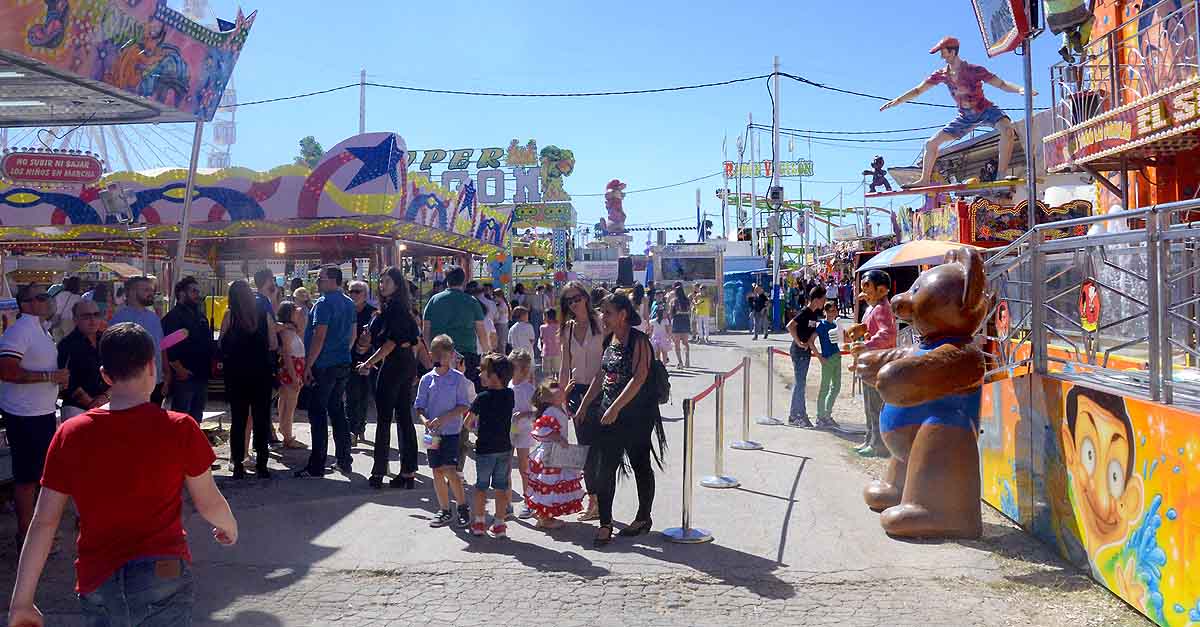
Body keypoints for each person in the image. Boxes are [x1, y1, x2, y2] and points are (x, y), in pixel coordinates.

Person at [6, 323, 238, 627]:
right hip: (163, 569)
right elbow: (208, 502)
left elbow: (44, 521)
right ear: (152, 369)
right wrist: (229, 526)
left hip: (97, 577)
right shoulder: (180, 428)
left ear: (104, 375)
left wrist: (22, 600)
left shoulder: (70, 434)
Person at [575, 292, 665, 547]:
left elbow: (639, 377)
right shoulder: (609, 340)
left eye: (608, 313)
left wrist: (616, 407)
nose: (603, 317)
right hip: (608, 415)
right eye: (602, 312)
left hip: (636, 416)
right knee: (605, 468)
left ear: (623, 315)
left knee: (640, 465)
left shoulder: (639, 341)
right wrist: (584, 405)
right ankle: (605, 523)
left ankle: (643, 518)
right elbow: (600, 375)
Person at [881, 36, 1028, 188]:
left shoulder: (974, 70)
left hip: (985, 109)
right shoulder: (942, 74)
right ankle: (925, 179)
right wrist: (897, 101)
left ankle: (1001, 174)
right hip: (964, 117)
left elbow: (1001, 84)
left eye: (943, 52)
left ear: (952, 52)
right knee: (931, 144)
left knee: (1007, 129)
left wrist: (1020, 89)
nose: (941, 56)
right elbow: (918, 90)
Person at [0, 284, 69, 544]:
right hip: (24, 415)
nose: (48, 300)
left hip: (40, 412)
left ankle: (35, 533)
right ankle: (26, 535)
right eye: (42, 297)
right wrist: (49, 377)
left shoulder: (41, 329)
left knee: (39, 474)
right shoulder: (20, 331)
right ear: (27, 304)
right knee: (27, 477)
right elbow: (6, 371)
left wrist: (56, 379)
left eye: (47, 296)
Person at [356, 267, 421, 490]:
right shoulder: (398, 309)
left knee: (385, 419)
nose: (382, 285)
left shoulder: (395, 309)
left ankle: (379, 472)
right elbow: (411, 341)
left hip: (394, 365)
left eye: (387, 281)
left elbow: (392, 343)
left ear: (397, 284)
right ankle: (407, 472)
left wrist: (369, 362)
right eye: (381, 281)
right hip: (403, 364)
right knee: (403, 417)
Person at [295, 265, 356, 478]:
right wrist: (342, 353)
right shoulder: (349, 303)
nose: (318, 282)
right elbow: (352, 334)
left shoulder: (323, 304)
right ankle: (344, 459)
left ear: (332, 280)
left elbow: (319, 336)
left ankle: (317, 464)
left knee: (318, 414)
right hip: (342, 362)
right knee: (338, 410)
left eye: (321, 279)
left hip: (324, 365)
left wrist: (308, 365)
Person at [556, 281, 604, 520]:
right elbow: (565, 365)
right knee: (585, 447)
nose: (574, 303)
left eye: (577, 298)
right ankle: (593, 500)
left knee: (602, 448)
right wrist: (561, 394)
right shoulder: (567, 329)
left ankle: (603, 499)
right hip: (577, 392)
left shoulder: (603, 322)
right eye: (569, 300)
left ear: (586, 297)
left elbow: (610, 360)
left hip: (603, 391)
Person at [415, 334, 472, 529]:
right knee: (436, 470)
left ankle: (463, 507)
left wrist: (445, 418)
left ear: (451, 356)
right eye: (437, 354)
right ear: (431, 355)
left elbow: (463, 405)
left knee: (450, 469)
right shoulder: (426, 379)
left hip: (450, 432)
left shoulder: (458, 379)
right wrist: (425, 421)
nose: (441, 358)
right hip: (432, 433)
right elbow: (420, 406)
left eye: (445, 355)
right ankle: (444, 509)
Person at [220, 280, 274, 480]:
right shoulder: (264, 315)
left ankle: (238, 465)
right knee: (261, 418)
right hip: (261, 374)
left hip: (237, 375)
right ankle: (262, 464)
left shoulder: (230, 316)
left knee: (239, 420)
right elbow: (274, 344)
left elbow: (221, 344)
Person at [465, 354, 515, 538]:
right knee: (501, 487)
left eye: (483, 371)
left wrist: (475, 428)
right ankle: (500, 524)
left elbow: (467, 423)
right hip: (504, 448)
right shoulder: (510, 395)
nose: (479, 375)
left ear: (493, 375)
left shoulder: (482, 398)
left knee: (481, 487)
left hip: (485, 449)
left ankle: (479, 522)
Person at [527, 379, 584, 529]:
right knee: (550, 485)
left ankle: (542, 515)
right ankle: (545, 518)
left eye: (562, 391)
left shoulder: (560, 406)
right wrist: (557, 437)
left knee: (554, 485)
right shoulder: (550, 411)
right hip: (551, 454)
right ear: (548, 399)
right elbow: (540, 429)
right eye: (558, 393)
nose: (562, 394)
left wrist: (568, 391)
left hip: (558, 452)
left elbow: (566, 414)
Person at [852, 270, 897, 458]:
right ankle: (870, 438)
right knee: (869, 405)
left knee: (875, 406)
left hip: (878, 362)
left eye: (867, 286)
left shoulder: (881, 308)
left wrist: (865, 344)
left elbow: (888, 334)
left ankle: (878, 444)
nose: (864, 290)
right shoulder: (873, 307)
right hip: (870, 362)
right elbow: (869, 327)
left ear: (882, 290)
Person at [422, 266, 487, 390]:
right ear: (464, 281)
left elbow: (426, 331)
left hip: (439, 353)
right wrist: (487, 353)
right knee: (465, 393)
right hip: (467, 354)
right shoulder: (472, 301)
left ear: (447, 280)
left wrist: (429, 353)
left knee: (441, 390)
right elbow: (481, 332)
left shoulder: (433, 300)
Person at [162, 277, 215, 425]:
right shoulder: (173, 317)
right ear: (181, 293)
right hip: (185, 377)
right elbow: (168, 347)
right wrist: (179, 370)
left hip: (201, 375)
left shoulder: (199, 315)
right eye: (194, 291)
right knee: (180, 418)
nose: (197, 295)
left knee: (196, 418)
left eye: (198, 291)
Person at [110, 276, 168, 406]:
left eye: (152, 290)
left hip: (156, 381)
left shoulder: (154, 318)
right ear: (131, 292)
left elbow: (161, 347)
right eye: (146, 290)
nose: (151, 293)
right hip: (131, 384)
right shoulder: (119, 319)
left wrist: (167, 374)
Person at [57, 300, 108, 421]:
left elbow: (118, 371)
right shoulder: (66, 345)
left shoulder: (107, 340)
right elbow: (67, 381)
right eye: (86, 316)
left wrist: (106, 397)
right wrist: (91, 404)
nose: (92, 320)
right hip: (76, 409)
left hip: (106, 406)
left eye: (96, 314)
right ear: (75, 319)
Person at [786, 286, 827, 428]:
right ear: (816, 299)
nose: (824, 302)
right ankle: (797, 415)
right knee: (800, 384)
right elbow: (790, 325)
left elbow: (811, 335)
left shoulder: (815, 314)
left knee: (800, 383)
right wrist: (798, 342)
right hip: (799, 352)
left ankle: (796, 414)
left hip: (805, 352)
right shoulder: (805, 312)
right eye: (823, 299)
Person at [346, 280, 377, 444]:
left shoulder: (373, 313)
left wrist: (369, 346)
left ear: (365, 295)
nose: (353, 294)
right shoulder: (346, 310)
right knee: (350, 393)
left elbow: (379, 336)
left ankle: (360, 427)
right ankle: (352, 430)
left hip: (368, 358)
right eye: (351, 291)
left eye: (357, 291)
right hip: (348, 356)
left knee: (364, 393)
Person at [508, 349, 536, 519]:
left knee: (524, 468)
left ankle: (529, 501)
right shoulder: (508, 385)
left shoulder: (530, 389)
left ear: (524, 370)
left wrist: (524, 414)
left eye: (514, 367)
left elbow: (538, 411)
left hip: (525, 431)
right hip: (511, 429)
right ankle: (507, 503)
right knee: (505, 467)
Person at [275, 301, 307, 449]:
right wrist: (294, 377)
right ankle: (288, 436)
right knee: (290, 404)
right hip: (291, 368)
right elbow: (287, 354)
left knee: (285, 401)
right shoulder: (286, 331)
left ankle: (284, 429)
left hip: (295, 367)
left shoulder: (290, 329)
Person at [814, 302, 843, 429]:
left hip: (837, 356)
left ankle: (827, 415)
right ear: (825, 312)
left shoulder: (836, 324)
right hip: (827, 358)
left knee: (836, 387)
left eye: (834, 310)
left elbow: (842, 338)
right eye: (830, 311)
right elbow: (811, 341)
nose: (832, 313)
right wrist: (819, 356)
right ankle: (820, 417)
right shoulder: (821, 325)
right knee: (824, 388)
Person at [49, 276, 83, 341]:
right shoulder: (77, 298)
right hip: (69, 321)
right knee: (69, 343)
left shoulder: (59, 294)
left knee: (58, 344)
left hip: (56, 320)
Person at [669, 284, 692, 368]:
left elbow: (670, 313)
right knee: (686, 343)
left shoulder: (673, 301)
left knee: (677, 344)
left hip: (676, 323)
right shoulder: (687, 300)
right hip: (685, 322)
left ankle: (680, 363)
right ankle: (687, 360)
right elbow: (690, 311)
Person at [539, 309, 561, 380]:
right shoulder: (559, 326)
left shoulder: (542, 327)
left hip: (546, 352)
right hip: (557, 352)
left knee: (547, 375)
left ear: (547, 317)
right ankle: (557, 386)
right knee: (557, 372)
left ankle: (548, 388)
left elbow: (542, 339)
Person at [492, 288, 510, 353]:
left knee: (500, 345)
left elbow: (497, 317)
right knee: (501, 345)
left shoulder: (501, 305)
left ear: (499, 296)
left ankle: (502, 360)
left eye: (495, 297)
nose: (493, 298)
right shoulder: (503, 304)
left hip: (500, 325)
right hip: (503, 325)